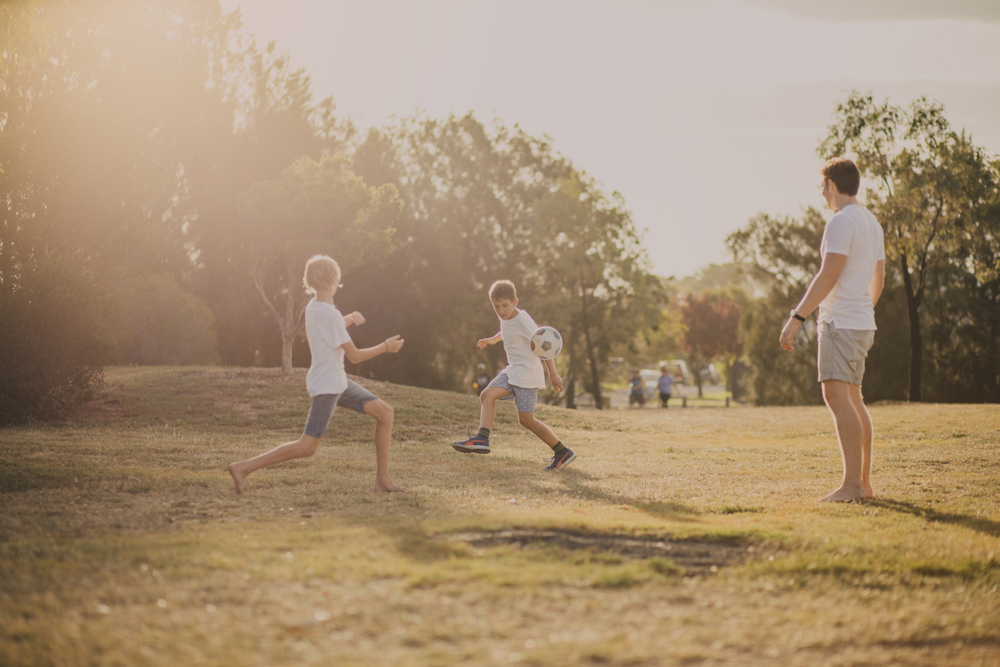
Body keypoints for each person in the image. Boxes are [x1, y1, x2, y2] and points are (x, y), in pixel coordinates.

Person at [229, 255, 407, 494]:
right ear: (331, 280)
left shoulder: (314, 308)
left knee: (385, 413)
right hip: (328, 385)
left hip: (336, 381)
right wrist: (385, 346)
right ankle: (243, 467)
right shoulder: (329, 313)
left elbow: (330, 328)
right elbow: (355, 356)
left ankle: (382, 481)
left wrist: (349, 319)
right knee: (308, 446)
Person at [779, 157, 885, 503]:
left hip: (840, 323)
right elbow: (878, 279)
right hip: (861, 322)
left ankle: (852, 486)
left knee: (837, 398)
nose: (821, 192)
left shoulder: (841, 222)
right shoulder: (871, 222)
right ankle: (863, 484)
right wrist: (863, 310)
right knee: (853, 399)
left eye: (822, 185)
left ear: (833, 186)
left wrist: (797, 317)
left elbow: (828, 275)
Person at [451, 280, 576, 470]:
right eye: (496, 306)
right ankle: (482, 438)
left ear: (515, 302)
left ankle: (562, 451)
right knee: (486, 395)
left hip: (527, 373)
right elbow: (506, 330)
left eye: (505, 306)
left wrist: (553, 374)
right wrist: (492, 340)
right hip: (512, 370)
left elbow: (544, 345)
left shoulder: (524, 320)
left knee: (526, 420)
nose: (501, 311)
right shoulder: (506, 317)